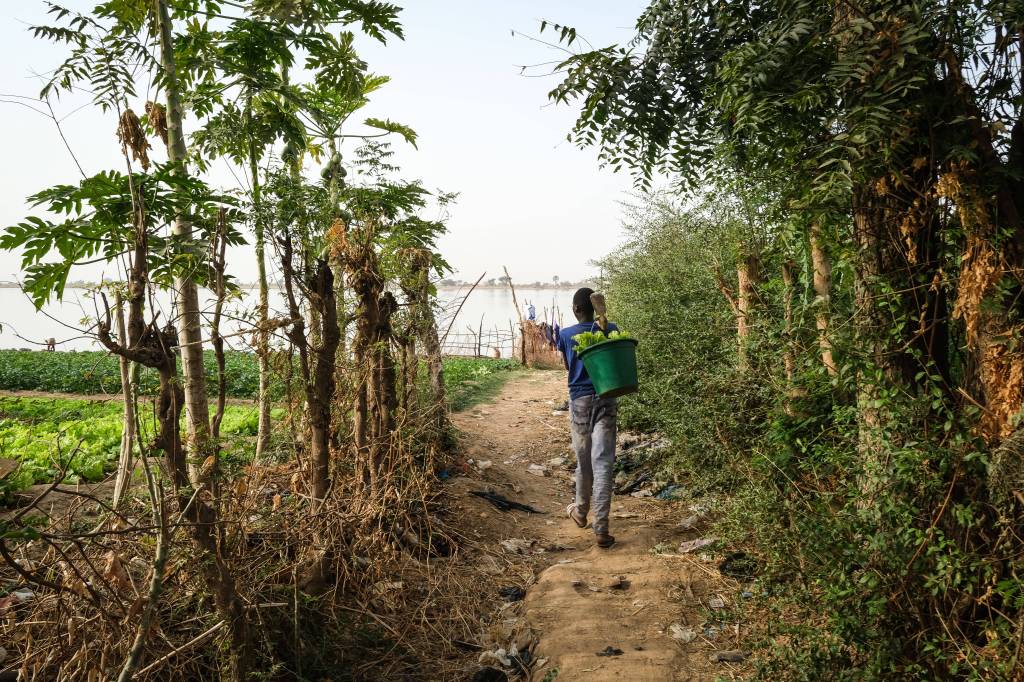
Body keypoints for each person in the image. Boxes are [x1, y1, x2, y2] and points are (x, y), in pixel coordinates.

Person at [556, 287, 619, 548]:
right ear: (594, 309)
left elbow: (569, 366)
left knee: (584, 461)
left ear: (576, 309)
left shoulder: (565, 334)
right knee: (603, 462)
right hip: (607, 396)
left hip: (580, 401)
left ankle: (581, 512)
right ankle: (601, 529)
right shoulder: (609, 327)